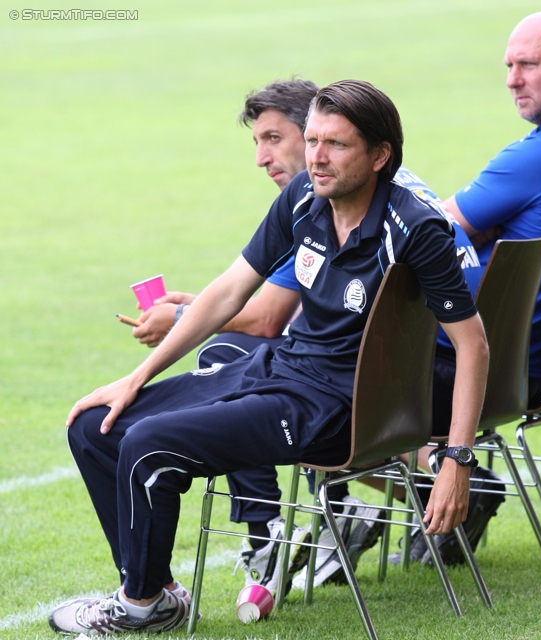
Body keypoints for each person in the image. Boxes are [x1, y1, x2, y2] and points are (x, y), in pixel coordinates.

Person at [49, 79, 488, 635]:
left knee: (145, 444)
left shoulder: (416, 227)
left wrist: (456, 460)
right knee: (94, 426)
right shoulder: (305, 196)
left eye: (337, 145)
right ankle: (153, 592)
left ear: (380, 156)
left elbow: (473, 344)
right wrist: (135, 378)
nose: (317, 157)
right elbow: (230, 292)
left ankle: (137, 610)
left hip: (338, 406)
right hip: (283, 369)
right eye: (312, 141)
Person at [125, 79, 389, 594]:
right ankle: (336, 510)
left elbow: (265, 318)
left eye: (274, 138)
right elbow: (242, 296)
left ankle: (270, 533)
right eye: (256, 144)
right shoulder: (368, 191)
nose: (262, 158)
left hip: (383, 396)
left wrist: (180, 320)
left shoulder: (337, 202)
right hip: (404, 378)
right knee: (264, 361)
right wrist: (189, 308)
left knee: (233, 355)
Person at [397, 10, 541, 567]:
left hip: (492, 372)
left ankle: (442, 477)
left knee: (322, 365)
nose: (512, 79)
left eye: (528, 65)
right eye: (509, 65)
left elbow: (433, 229)